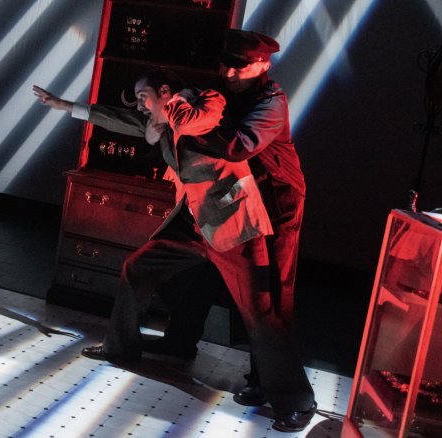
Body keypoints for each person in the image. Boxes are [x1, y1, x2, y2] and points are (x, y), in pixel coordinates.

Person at [32, 70, 316, 432]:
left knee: (258, 315)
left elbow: (202, 119)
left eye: (143, 98)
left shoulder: (204, 105)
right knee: (138, 267)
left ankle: (298, 402)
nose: (139, 106)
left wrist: (173, 107)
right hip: (196, 221)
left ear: (165, 91)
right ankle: (120, 348)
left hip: (234, 226)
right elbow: (121, 120)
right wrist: (64, 105)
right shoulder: (160, 120)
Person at [150, 30, 306, 407]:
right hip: (236, 196)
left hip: (276, 200)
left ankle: (269, 382)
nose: (230, 74)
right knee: (204, 269)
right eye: (227, 66)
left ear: (263, 66)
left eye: (240, 68)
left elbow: (239, 147)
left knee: (267, 293)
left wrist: (188, 123)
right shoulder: (224, 90)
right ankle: (180, 340)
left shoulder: (272, 102)